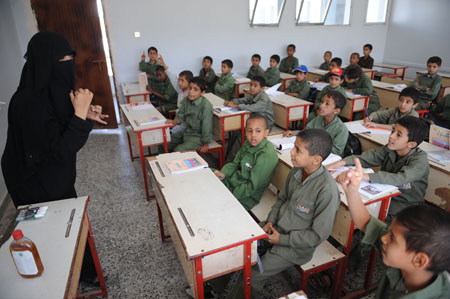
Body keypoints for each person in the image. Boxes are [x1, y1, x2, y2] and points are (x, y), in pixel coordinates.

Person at [226, 129, 340, 298]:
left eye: (298, 150)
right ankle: (216, 289)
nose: (292, 153)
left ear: (316, 159)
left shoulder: (327, 190)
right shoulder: (296, 171)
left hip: (295, 247)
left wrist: (282, 239)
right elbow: (281, 199)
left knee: (252, 275)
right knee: (233, 250)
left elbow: (317, 236)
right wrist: (270, 221)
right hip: (274, 228)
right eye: (293, 147)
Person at [1, 31, 108, 208]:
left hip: (55, 175)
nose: (68, 63)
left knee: (70, 216)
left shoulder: (54, 94)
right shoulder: (28, 103)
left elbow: (64, 134)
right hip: (32, 181)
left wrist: (83, 115)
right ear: (43, 62)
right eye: (61, 59)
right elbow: (58, 151)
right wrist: (79, 117)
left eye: (70, 57)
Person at [340, 158, 450, 298]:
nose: (384, 238)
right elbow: (365, 223)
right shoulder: (407, 261)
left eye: (392, 237)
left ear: (419, 260)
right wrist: (352, 192)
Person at [327, 116, 429, 223]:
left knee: (366, 211)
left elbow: (400, 178)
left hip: (405, 202)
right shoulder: (391, 148)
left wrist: (361, 175)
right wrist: (341, 162)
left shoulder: (420, 161)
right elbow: (371, 157)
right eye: (393, 131)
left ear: (412, 144)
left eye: (398, 135)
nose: (391, 136)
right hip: (384, 192)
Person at [214, 114, 278, 210]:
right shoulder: (248, 143)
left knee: (216, 205)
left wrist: (229, 195)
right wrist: (223, 173)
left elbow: (252, 187)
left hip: (245, 196)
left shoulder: (265, 155)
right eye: (249, 131)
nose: (253, 135)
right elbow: (234, 164)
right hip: (234, 182)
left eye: (258, 131)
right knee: (209, 175)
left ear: (266, 133)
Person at [165, 77, 213, 153]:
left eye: (195, 89)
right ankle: (165, 163)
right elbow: (180, 114)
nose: (191, 92)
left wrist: (205, 143)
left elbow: (206, 127)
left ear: (202, 93)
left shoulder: (206, 106)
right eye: (190, 88)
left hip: (197, 137)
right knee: (164, 144)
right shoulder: (186, 100)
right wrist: (175, 121)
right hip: (186, 132)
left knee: (178, 150)